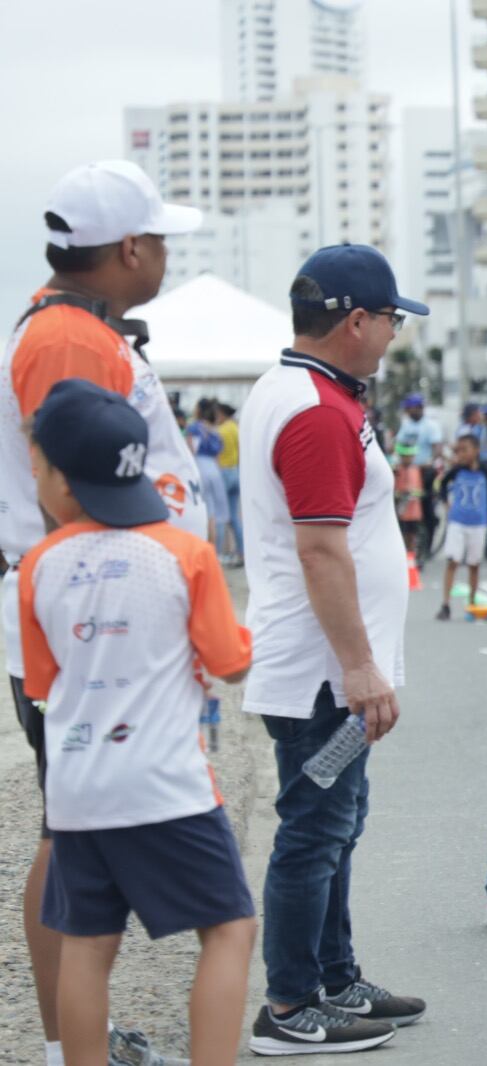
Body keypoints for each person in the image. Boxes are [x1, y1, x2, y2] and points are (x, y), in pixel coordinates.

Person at [0, 158, 208, 1066]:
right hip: (81, 620)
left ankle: (73, 1038)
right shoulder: (71, 341)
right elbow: (69, 487)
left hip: (79, 612)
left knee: (74, 829)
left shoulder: (81, 328)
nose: (165, 253)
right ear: (129, 248)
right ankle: (64, 1045)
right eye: (160, 238)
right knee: (71, 835)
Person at [20, 380, 256, 1066]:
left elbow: (40, 684)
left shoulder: (39, 567)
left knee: (88, 947)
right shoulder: (185, 555)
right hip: (167, 787)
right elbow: (229, 663)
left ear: (61, 482)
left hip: (77, 790)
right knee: (228, 928)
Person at [239, 244, 428, 1055]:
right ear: (357, 321)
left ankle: (335, 974)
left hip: (331, 667)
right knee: (315, 829)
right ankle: (288, 1005)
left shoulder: (315, 393)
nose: (393, 334)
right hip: (321, 673)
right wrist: (358, 667)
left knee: (338, 823)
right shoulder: (315, 411)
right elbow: (322, 550)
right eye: (390, 320)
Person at [435, 433, 487, 621]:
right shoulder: (456, 471)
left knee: (474, 564)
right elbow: (442, 485)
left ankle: (472, 601)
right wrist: (445, 502)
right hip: (457, 522)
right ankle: (445, 604)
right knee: (453, 561)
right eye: (458, 450)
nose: (461, 454)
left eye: (465, 449)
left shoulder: (486, 471)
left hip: (479, 523)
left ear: (476, 451)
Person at [393, 393, 443, 561]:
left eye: (411, 408)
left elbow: (437, 449)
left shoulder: (430, 426)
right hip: (407, 471)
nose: (409, 411)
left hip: (425, 472)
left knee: (426, 509)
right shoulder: (406, 425)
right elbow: (398, 445)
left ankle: (426, 546)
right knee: (401, 508)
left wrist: (429, 462)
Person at [187, 398, 233, 561]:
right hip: (215, 468)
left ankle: (210, 552)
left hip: (200, 467)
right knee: (220, 512)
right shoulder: (215, 429)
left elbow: (190, 450)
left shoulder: (193, 428)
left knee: (209, 511)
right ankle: (220, 552)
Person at [217, 402, 244, 564]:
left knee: (221, 515)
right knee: (234, 516)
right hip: (235, 471)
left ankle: (221, 553)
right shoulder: (235, 428)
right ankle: (241, 551)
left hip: (224, 472)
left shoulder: (221, 431)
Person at [393, 442, 425, 556]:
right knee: (402, 535)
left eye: (410, 456)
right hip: (401, 511)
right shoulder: (396, 470)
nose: (408, 459)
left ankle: (411, 558)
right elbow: (394, 490)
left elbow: (420, 490)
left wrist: (414, 493)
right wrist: (400, 494)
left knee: (412, 535)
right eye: (405, 456)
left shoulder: (416, 470)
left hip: (414, 511)